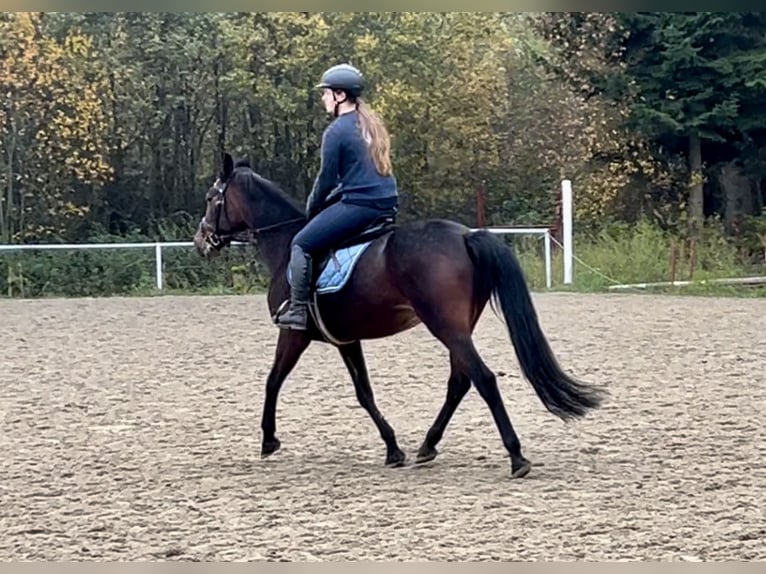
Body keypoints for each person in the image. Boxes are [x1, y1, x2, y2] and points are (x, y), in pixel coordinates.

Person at [274, 63, 399, 330]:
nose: (323, 99)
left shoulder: (337, 131)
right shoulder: (372, 124)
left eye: (326, 93)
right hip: (387, 202)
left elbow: (326, 179)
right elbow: (356, 176)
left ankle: (298, 311)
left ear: (340, 96)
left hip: (361, 205)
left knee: (302, 243)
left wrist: (312, 207)